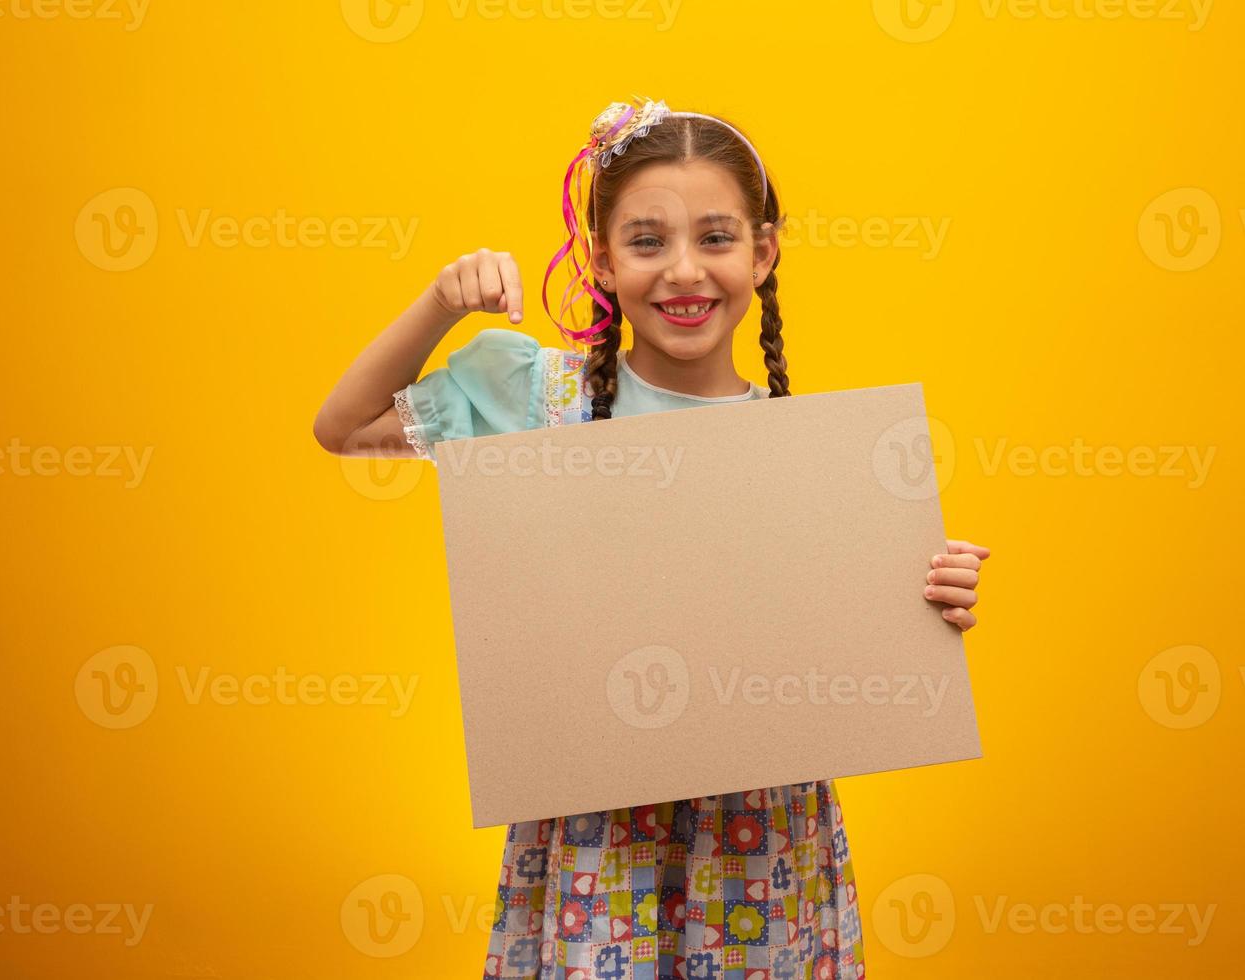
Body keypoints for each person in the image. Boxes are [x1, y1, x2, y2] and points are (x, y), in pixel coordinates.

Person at [314, 97, 990, 980]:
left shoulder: (818, 463)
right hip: (599, 851)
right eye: (645, 242)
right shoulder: (534, 402)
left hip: (761, 849)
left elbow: (844, 654)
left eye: (716, 238)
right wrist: (442, 302)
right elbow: (345, 426)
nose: (683, 272)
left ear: (764, 251)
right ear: (601, 258)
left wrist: (923, 603)